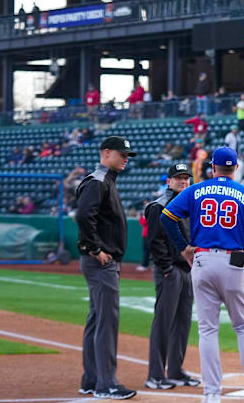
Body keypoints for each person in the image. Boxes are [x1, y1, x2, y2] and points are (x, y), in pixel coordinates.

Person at [159, 146, 244, 403]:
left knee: (208, 330)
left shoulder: (195, 190)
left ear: (212, 167)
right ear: (235, 168)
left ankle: (211, 394)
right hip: (234, 262)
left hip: (201, 260)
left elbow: (167, 216)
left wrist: (183, 248)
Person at [75, 136, 137, 400]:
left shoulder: (105, 181)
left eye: (127, 155)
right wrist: (96, 248)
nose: (125, 158)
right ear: (106, 153)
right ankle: (106, 384)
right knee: (106, 322)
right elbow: (83, 216)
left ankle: (91, 380)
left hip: (102, 261)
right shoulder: (98, 181)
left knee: (97, 319)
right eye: (122, 154)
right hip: (101, 261)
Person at [144, 164, 201, 390]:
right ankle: (156, 374)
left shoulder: (189, 206)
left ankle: (176, 371)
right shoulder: (159, 206)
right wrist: (166, 268)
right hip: (170, 270)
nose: (183, 181)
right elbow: (155, 242)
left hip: (187, 270)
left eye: (186, 178)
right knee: (164, 322)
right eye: (178, 178)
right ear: (168, 181)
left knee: (182, 322)